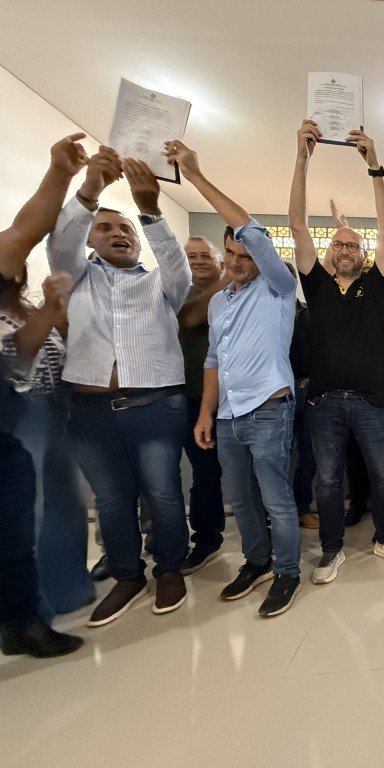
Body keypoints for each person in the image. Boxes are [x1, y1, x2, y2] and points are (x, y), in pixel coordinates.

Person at [48, 146, 193, 625]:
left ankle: (169, 569)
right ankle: (128, 576)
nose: (118, 234)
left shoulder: (159, 284)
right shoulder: (76, 277)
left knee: (163, 494)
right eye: (106, 228)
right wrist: (90, 188)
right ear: (90, 238)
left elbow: (179, 267)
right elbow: (60, 243)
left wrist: (149, 210)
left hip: (155, 406)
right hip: (91, 412)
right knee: (111, 500)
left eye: (126, 228)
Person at [168, 141, 303, 618]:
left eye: (245, 255)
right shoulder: (220, 302)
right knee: (241, 501)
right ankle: (257, 561)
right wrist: (206, 412)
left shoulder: (278, 286)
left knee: (276, 500)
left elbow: (253, 232)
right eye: (230, 253)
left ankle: (287, 571)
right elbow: (213, 359)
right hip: (227, 416)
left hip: (269, 409)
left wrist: (195, 176)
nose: (235, 262)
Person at [289, 120, 384, 585]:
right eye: (339, 243)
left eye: (353, 245)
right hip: (324, 402)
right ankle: (331, 550)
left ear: (363, 255)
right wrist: (302, 159)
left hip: (373, 401)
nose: (346, 249)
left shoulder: (376, 287)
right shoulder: (317, 286)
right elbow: (297, 224)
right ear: (328, 251)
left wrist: (375, 167)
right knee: (327, 481)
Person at [0, 133, 88, 658]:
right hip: (17, 414)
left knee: (53, 509)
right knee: (22, 521)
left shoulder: (22, 305)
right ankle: (28, 614)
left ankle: (42, 607)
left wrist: (61, 173)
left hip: (45, 411)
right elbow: (14, 360)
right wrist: (53, 311)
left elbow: (24, 229)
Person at [176, 236, 229, 572]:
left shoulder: (241, 293)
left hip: (239, 397)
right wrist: (229, 278)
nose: (197, 261)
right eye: (190, 256)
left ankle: (263, 537)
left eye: (204, 255)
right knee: (205, 473)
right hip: (194, 398)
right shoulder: (178, 293)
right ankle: (207, 538)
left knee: (254, 472)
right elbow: (191, 317)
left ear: (218, 260)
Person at [283, 260, 318, 530]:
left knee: (308, 455)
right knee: (279, 457)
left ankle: (302, 508)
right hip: (279, 394)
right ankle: (280, 513)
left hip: (309, 392)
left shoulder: (309, 312)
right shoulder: (266, 315)